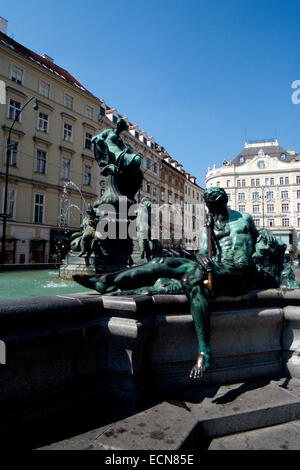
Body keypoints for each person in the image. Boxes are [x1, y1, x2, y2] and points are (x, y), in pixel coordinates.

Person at [73, 187, 281, 379]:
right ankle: (106, 281)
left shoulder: (244, 218)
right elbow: (202, 251)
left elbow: (259, 239)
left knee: (192, 280)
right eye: (210, 208)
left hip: (241, 272)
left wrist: (266, 234)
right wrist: (201, 256)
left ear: (224, 203)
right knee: (162, 262)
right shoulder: (208, 226)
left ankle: (204, 351)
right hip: (218, 270)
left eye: (215, 208)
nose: (212, 212)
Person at [92, 119, 143, 200]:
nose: (120, 128)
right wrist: (99, 138)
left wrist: (129, 150)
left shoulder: (120, 139)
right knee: (137, 159)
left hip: (120, 154)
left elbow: (124, 149)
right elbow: (95, 138)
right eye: (120, 125)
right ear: (118, 125)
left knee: (139, 174)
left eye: (122, 127)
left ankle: (129, 194)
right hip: (111, 155)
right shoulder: (109, 132)